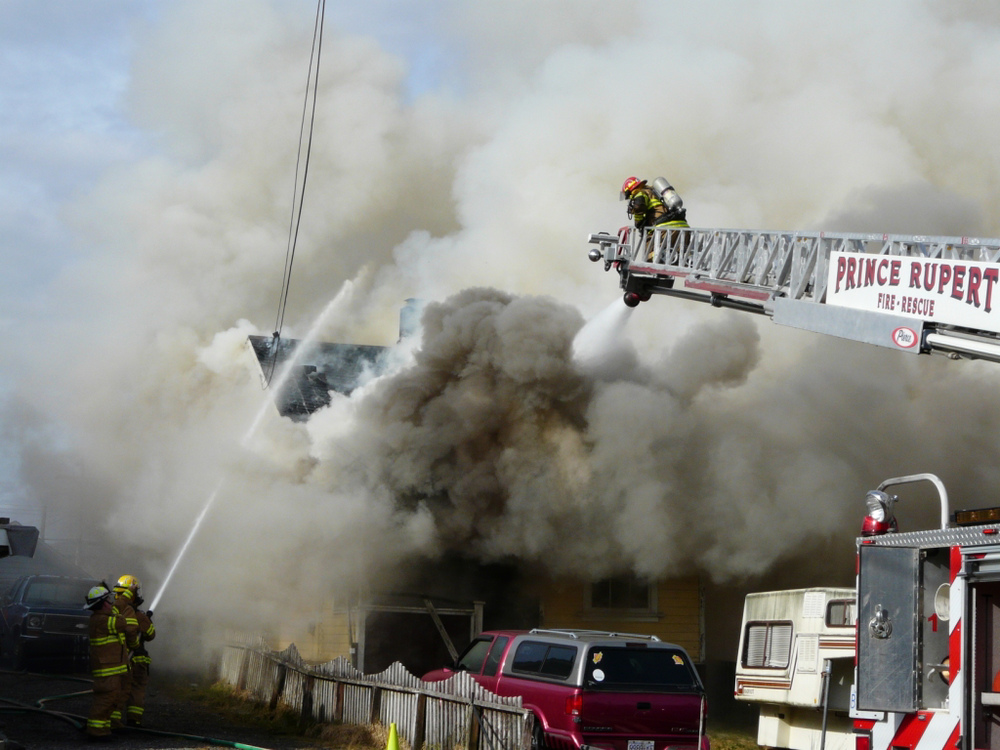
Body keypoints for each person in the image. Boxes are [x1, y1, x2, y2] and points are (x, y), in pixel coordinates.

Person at [85, 585, 128, 741]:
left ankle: (103, 729)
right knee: (105, 700)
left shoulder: (101, 619)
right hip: (106, 670)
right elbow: (122, 624)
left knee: (112, 699)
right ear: (103, 603)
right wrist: (118, 609)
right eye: (109, 601)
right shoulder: (102, 620)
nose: (111, 603)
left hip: (110, 669)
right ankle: (96, 732)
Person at [620, 176, 690, 261]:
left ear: (630, 190)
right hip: (683, 228)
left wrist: (638, 222)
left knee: (651, 257)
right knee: (681, 256)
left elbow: (639, 207)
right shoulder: (656, 192)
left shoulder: (641, 193)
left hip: (664, 230)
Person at [110, 575, 142, 729]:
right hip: (122, 657)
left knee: (107, 691)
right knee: (122, 689)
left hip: (105, 657)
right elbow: (131, 632)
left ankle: (104, 722)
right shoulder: (128, 610)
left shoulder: (109, 605)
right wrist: (135, 645)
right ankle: (113, 722)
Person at [124, 579, 155, 726]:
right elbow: (150, 635)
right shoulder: (138, 615)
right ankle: (134, 720)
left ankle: (113, 720)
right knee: (136, 689)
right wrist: (147, 621)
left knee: (118, 688)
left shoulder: (112, 613)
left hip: (119, 659)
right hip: (137, 659)